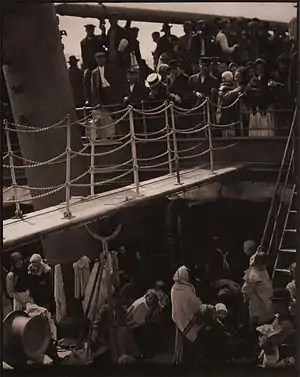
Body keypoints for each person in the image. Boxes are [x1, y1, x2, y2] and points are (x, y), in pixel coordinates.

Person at [171, 265, 217, 364]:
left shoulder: (180, 287)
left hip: (184, 316)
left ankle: (189, 358)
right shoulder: (179, 288)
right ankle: (181, 359)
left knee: (187, 340)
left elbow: (189, 302)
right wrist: (201, 306)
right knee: (183, 340)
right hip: (182, 316)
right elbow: (191, 303)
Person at [257, 288, 296, 368]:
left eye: (274, 302)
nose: (271, 305)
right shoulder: (278, 318)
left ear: (281, 304)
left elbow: (269, 341)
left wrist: (264, 336)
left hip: (283, 357)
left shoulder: (287, 322)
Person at [241, 251, 274, 328]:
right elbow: (245, 291)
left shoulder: (262, 269)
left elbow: (253, 257)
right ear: (259, 263)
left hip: (268, 298)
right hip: (259, 305)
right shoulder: (253, 274)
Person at [80, 24, 106, 104]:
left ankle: (101, 99)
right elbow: (83, 55)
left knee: (101, 81)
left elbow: (104, 41)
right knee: (86, 81)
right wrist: (85, 66)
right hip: (89, 65)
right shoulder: (83, 42)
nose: (90, 31)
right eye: (89, 30)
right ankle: (89, 99)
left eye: (91, 30)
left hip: (97, 64)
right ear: (86, 30)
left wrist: (103, 31)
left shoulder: (97, 39)